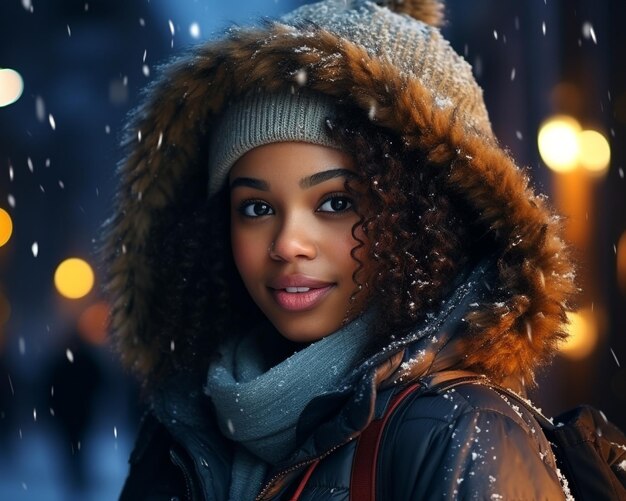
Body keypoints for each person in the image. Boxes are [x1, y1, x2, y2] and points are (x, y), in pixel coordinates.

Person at [102, 0, 577, 499]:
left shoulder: (457, 432)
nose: (287, 244)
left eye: (335, 202)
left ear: (422, 218)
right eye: (256, 208)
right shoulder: (183, 425)